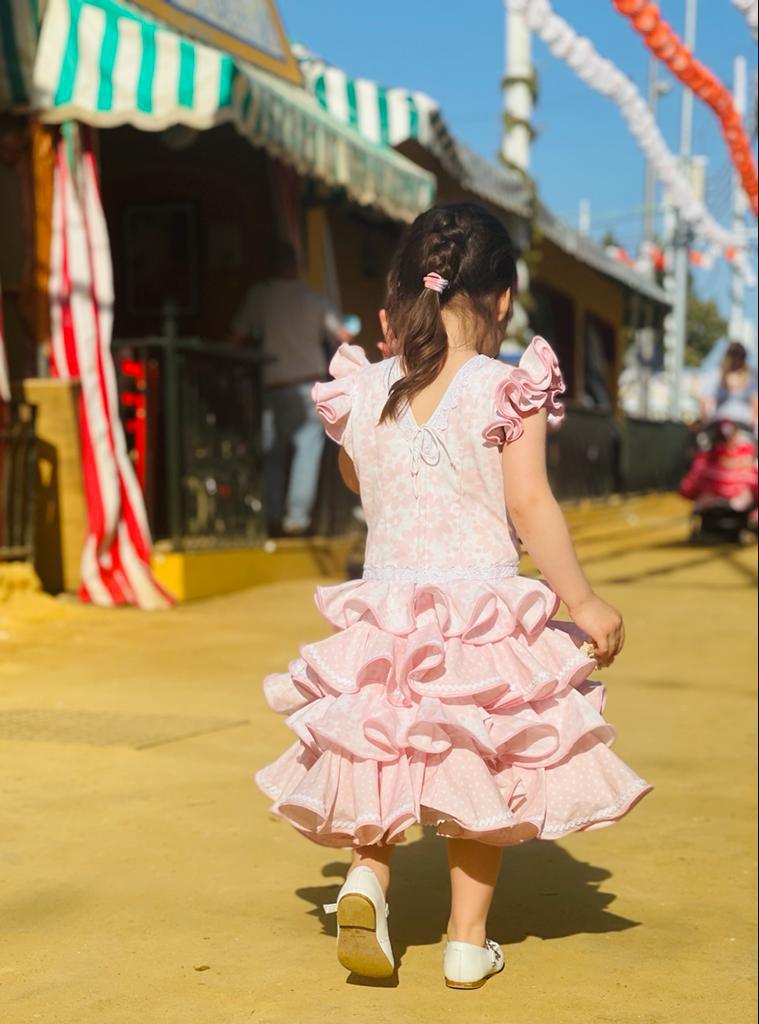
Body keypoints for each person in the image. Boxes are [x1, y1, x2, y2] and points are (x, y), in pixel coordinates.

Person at [255, 204, 651, 989]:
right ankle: (467, 943)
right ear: (502, 300)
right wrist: (582, 602)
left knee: (385, 754)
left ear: (403, 294)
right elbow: (530, 505)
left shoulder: (364, 387)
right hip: (480, 611)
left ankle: (368, 877)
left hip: (389, 610)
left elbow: (357, 479)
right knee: (481, 765)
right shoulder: (506, 388)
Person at [230, 242, 351, 535]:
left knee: (272, 454)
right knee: (306, 449)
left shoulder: (261, 296)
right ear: (298, 267)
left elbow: (236, 336)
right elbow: (343, 334)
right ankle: (296, 519)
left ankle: (272, 516)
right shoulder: (314, 299)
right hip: (309, 385)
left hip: (273, 384)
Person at [700, 341, 758, 432]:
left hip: (744, 424)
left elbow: (755, 402)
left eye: (740, 356)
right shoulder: (717, 375)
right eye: (734, 355)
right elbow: (705, 400)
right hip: (720, 422)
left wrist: (752, 422)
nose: (736, 359)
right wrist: (706, 422)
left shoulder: (751, 376)